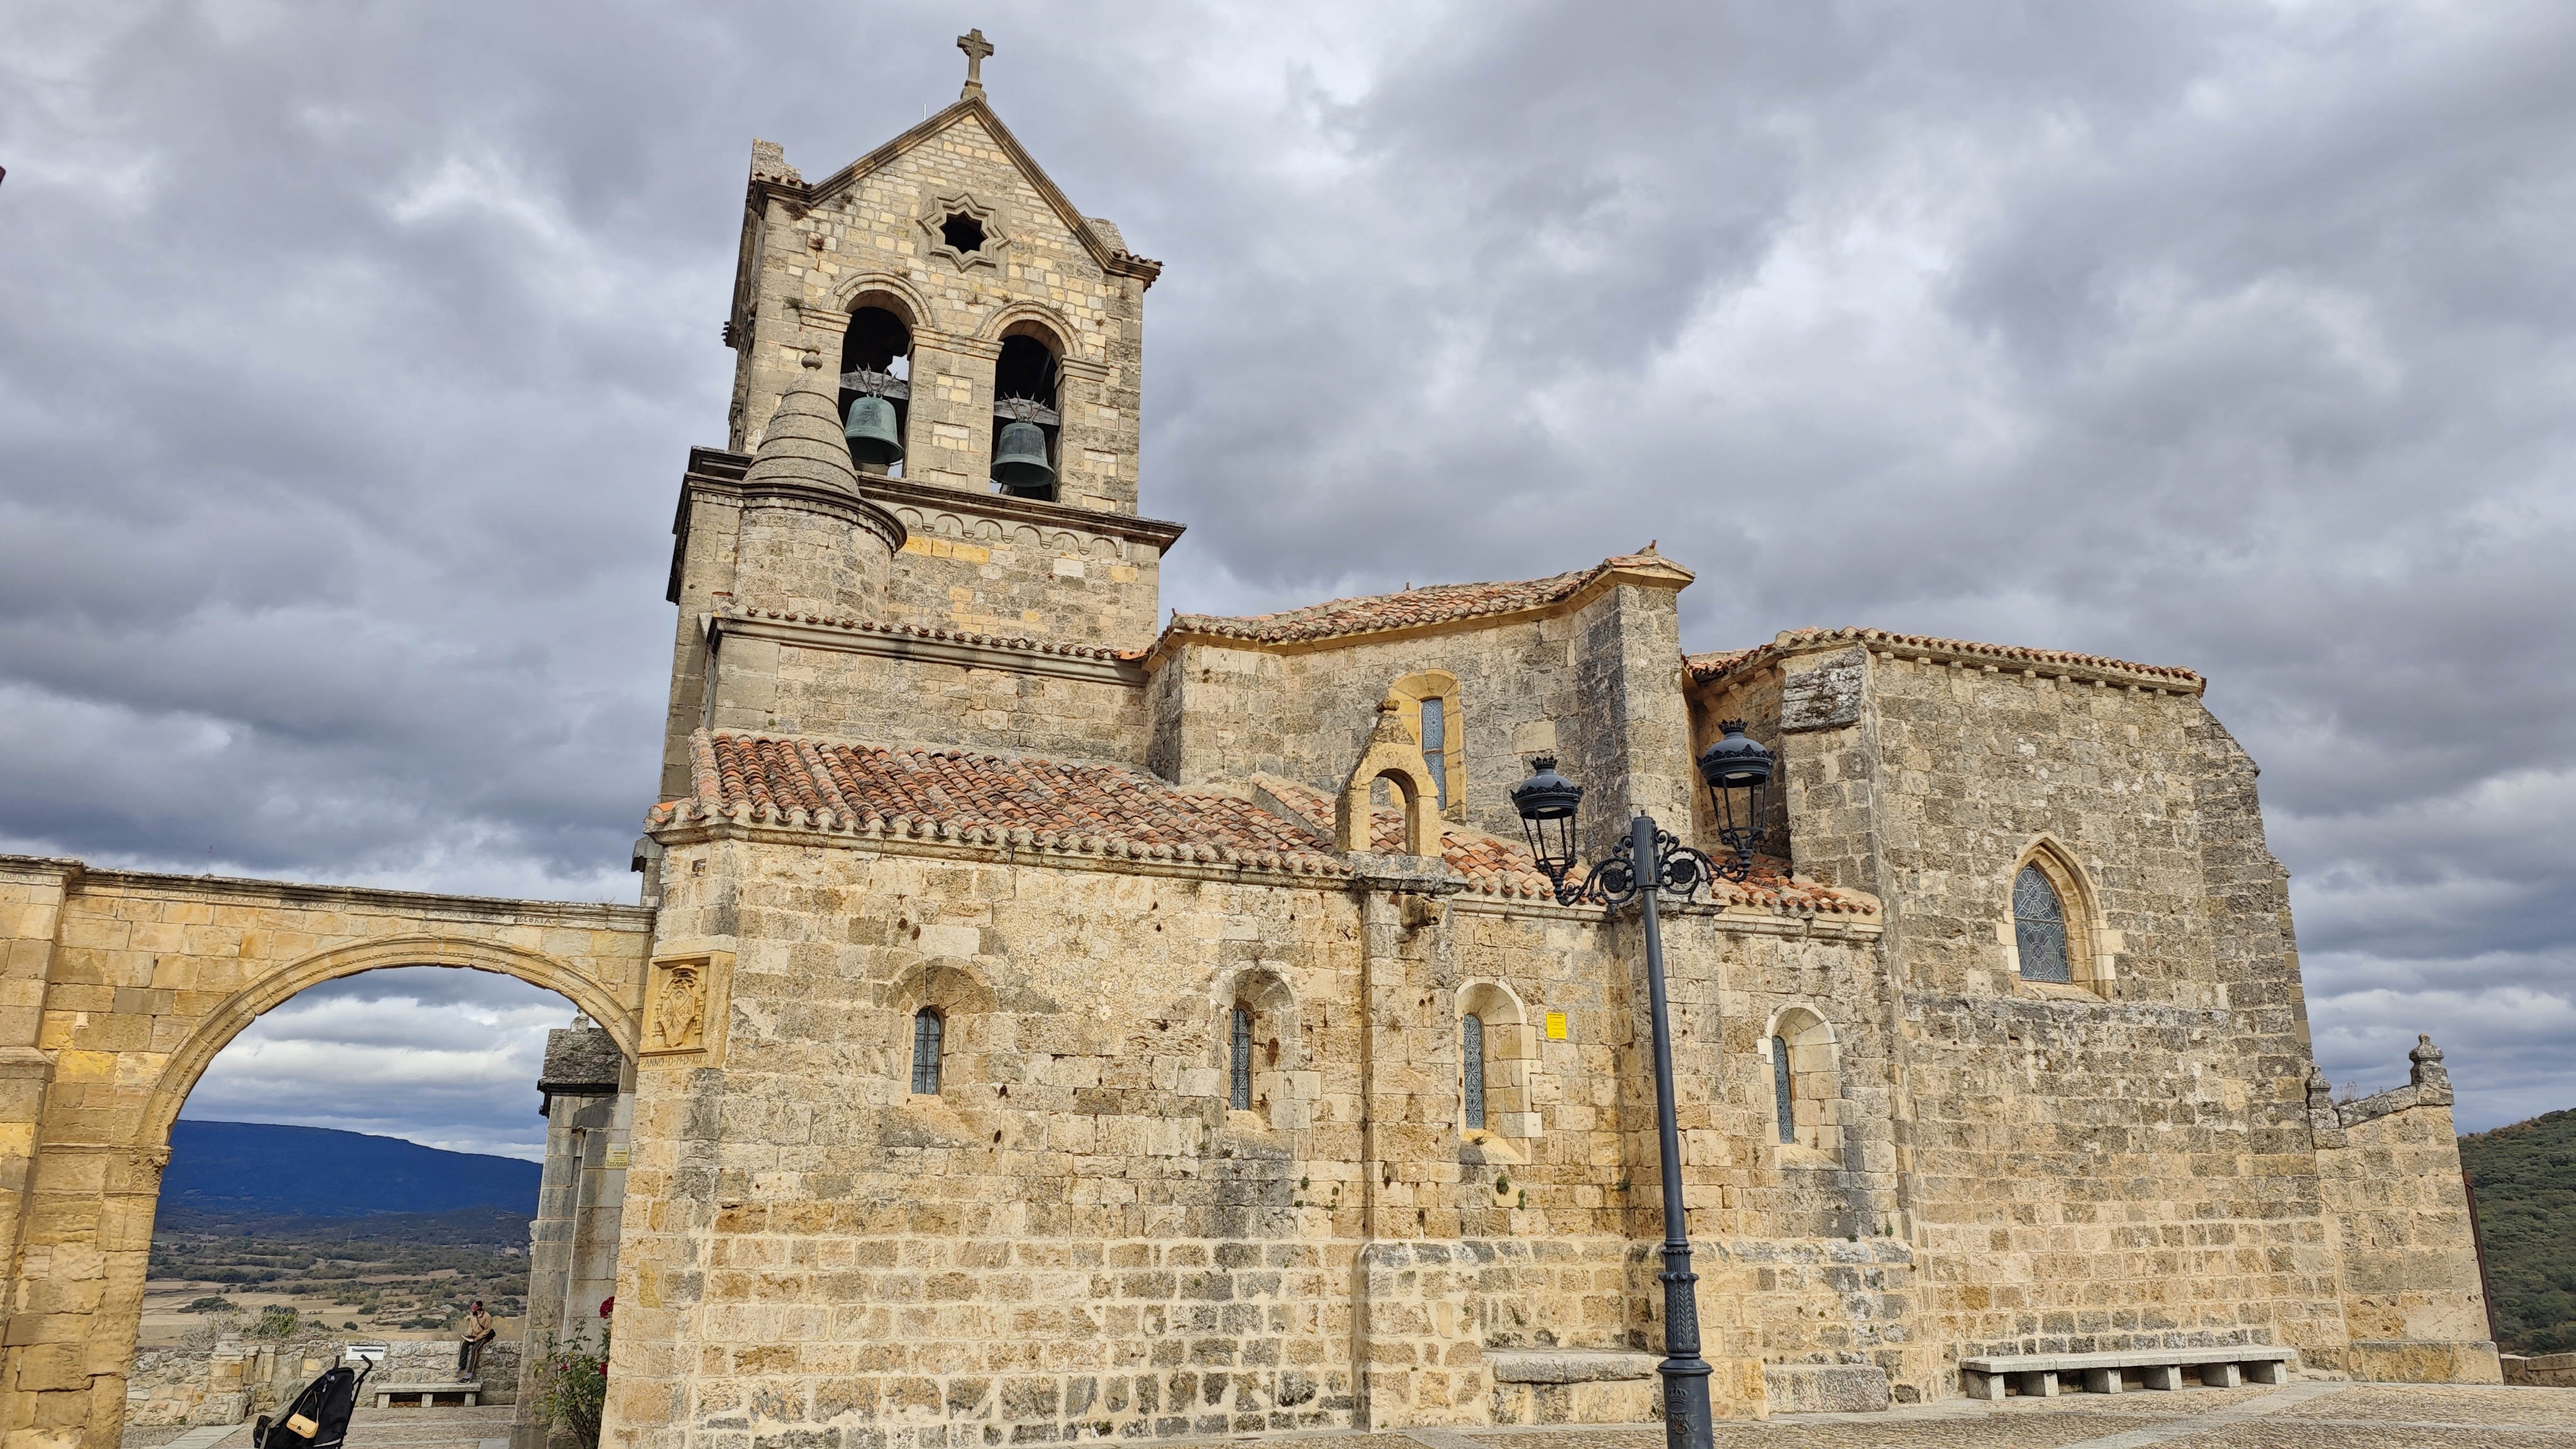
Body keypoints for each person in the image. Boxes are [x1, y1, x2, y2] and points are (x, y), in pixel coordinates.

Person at [458, 1301, 496, 1379]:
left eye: (473, 1308)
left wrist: (477, 1338)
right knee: (464, 1345)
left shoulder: (487, 1316)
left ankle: (470, 1373)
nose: (472, 1310)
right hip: (473, 1336)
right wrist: (470, 1334)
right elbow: (470, 1326)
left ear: (477, 1308)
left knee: (475, 1349)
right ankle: (461, 1365)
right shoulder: (474, 1317)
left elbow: (486, 1330)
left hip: (482, 1337)